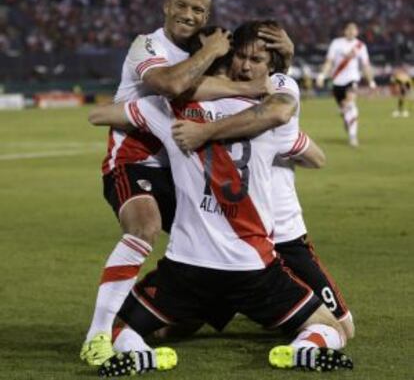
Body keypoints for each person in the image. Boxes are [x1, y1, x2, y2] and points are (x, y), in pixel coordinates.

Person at [89, 24, 353, 375]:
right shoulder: (273, 114)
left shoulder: (170, 111)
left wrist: (169, 111)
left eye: (256, 59)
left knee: (122, 328)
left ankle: (141, 356)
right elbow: (309, 149)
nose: (246, 66)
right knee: (333, 329)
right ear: (231, 63)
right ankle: (305, 349)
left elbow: (99, 115)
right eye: (241, 58)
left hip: (187, 268)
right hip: (254, 266)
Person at [81, 0, 295, 367]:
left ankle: (245, 303)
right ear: (166, 5)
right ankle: (97, 336)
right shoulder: (147, 46)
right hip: (135, 160)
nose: (189, 15)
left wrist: (286, 59)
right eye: (182, 6)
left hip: (184, 168)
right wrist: (215, 51)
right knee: (144, 226)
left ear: (206, 16)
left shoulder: (205, 53)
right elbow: (172, 84)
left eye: (198, 11)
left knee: (221, 244)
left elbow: (242, 79)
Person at [316, 22, 376, 147]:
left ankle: (353, 137)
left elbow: (365, 65)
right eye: (349, 29)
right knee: (345, 111)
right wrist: (322, 75)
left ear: (357, 32)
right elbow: (329, 62)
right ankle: (348, 122)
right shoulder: (336, 43)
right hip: (337, 82)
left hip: (352, 79)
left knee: (350, 104)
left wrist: (371, 81)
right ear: (344, 31)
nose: (351, 31)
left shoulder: (361, 46)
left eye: (354, 29)